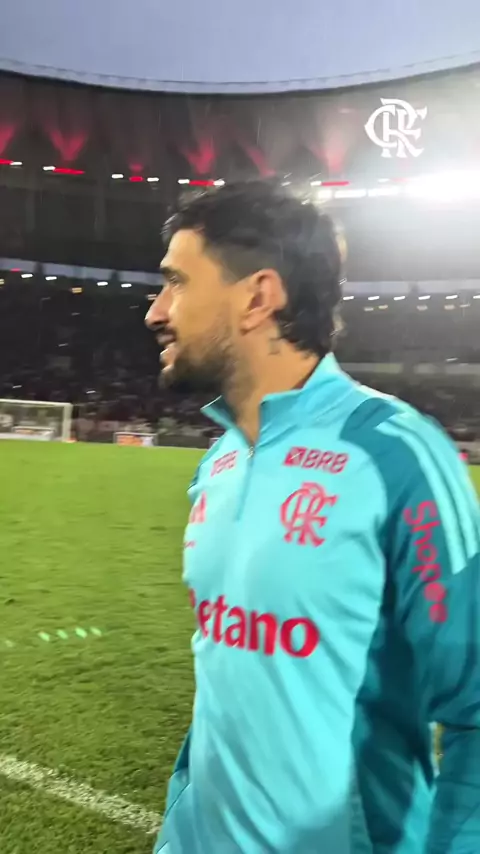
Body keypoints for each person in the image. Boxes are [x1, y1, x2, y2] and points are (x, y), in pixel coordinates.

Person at [145, 181, 480, 854]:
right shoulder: (221, 460)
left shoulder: (394, 455)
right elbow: (228, 676)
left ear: (257, 297)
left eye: (177, 282)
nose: (157, 311)